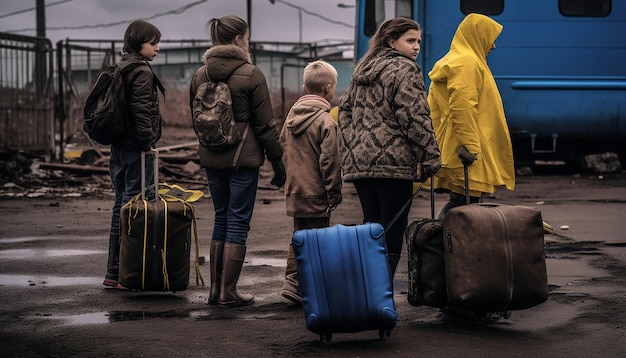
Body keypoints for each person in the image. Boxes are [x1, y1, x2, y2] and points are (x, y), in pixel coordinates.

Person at [189, 15, 285, 308]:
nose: (248, 41)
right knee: (238, 221)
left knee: (221, 217)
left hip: (212, 158)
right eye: (246, 36)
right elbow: (267, 126)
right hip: (243, 159)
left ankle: (215, 291)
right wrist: (278, 164)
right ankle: (228, 292)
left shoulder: (200, 75)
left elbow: (197, 120)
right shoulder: (251, 74)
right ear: (237, 40)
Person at [337, 17, 441, 279]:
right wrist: (429, 157)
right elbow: (415, 115)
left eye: (418, 41)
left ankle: (365, 289)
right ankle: (379, 292)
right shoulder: (405, 70)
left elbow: (344, 112)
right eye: (410, 41)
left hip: (361, 163)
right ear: (391, 41)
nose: (416, 47)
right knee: (392, 228)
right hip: (393, 163)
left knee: (372, 224)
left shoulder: (363, 69)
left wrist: (354, 147)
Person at [428, 13, 515, 220]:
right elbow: (462, 106)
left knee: (462, 203)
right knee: (463, 206)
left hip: (459, 144)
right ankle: (450, 247)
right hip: (465, 149)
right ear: (478, 35)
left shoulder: (460, 59)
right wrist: (470, 146)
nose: (493, 46)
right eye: (490, 38)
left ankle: (448, 247)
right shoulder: (466, 62)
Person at [103, 20, 165, 288]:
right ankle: (127, 274)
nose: (157, 49)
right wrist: (147, 143)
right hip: (135, 149)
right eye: (153, 43)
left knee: (121, 205)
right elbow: (141, 112)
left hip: (118, 148)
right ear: (138, 44)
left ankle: (114, 271)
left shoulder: (122, 67)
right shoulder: (140, 71)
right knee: (133, 208)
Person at [278, 60, 343, 304]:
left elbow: (282, 146)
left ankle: (292, 281)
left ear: (305, 87)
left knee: (299, 235)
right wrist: (334, 192)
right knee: (318, 241)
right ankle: (308, 286)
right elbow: (330, 162)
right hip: (317, 193)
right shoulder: (326, 122)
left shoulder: (291, 118)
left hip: (295, 190)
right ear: (328, 89)